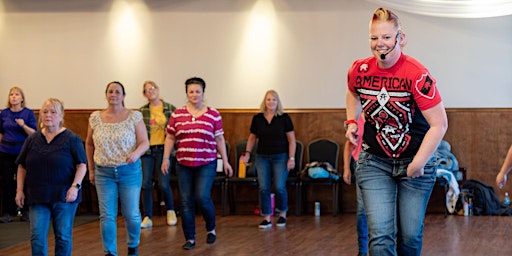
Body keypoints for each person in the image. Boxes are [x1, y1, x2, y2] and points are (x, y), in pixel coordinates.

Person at [345, 7, 448, 256]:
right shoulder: (360, 70)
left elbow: (440, 124)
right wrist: (351, 121)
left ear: (400, 38)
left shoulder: (416, 74)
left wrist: (419, 163)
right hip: (374, 162)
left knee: (410, 238)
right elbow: (352, 91)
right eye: (374, 38)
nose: (379, 44)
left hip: (415, 163)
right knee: (380, 237)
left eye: (386, 37)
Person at [161, 77, 233, 250]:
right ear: (187, 93)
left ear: (203, 93)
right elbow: (170, 137)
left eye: (197, 91)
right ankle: (190, 238)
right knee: (185, 201)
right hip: (183, 163)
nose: (194, 94)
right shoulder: (177, 114)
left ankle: (211, 229)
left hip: (206, 162)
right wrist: (165, 158)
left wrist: (226, 161)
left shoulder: (213, 114)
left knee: (202, 197)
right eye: (191, 91)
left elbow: (219, 139)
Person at [15, 98, 87, 255]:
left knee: (62, 237)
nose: (48, 115)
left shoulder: (72, 139)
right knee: (37, 237)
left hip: (64, 196)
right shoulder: (32, 139)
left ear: (61, 116)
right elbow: (22, 165)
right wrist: (19, 190)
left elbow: (82, 165)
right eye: (45, 112)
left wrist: (75, 187)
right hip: (37, 196)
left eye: (53, 112)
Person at [86, 81, 149, 256]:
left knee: (132, 214)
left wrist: (136, 153)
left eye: (117, 92)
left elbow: (144, 142)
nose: (113, 94)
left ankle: (132, 245)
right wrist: (91, 169)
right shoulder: (95, 118)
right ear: (106, 95)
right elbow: (89, 144)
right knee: (107, 215)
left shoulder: (134, 116)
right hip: (103, 172)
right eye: (110, 91)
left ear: (123, 95)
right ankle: (109, 252)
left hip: (129, 171)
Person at [240, 89, 296, 229]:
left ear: (278, 102)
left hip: (281, 157)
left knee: (279, 187)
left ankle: (282, 214)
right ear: (264, 102)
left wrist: (291, 158)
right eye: (268, 99)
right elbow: (252, 138)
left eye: (274, 99)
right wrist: (247, 152)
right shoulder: (258, 118)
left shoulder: (284, 118)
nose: (271, 102)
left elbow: (292, 140)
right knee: (263, 187)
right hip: (262, 157)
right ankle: (266, 217)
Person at [139, 80, 177, 228]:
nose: (151, 91)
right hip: (147, 151)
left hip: (164, 150)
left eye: (153, 88)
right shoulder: (142, 112)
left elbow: (176, 130)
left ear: (158, 90)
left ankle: (170, 210)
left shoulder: (169, 109)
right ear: (144, 94)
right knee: (145, 183)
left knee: (163, 183)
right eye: (147, 90)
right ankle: (147, 216)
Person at [0, 86, 36, 223]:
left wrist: (23, 126)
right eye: (11, 94)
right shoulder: (4, 113)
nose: (13, 97)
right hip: (5, 152)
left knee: (26, 181)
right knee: (7, 182)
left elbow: (33, 133)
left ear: (22, 98)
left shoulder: (28, 113)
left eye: (16, 94)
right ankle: (8, 212)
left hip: (23, 151)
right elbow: (1, 132)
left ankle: (26, 210)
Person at [342, 116, 367, 256]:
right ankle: (362, 250)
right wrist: (347, 168)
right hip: (362, 166)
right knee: (362, 210)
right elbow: (348, 146)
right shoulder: (358, 120)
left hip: (384, 167)